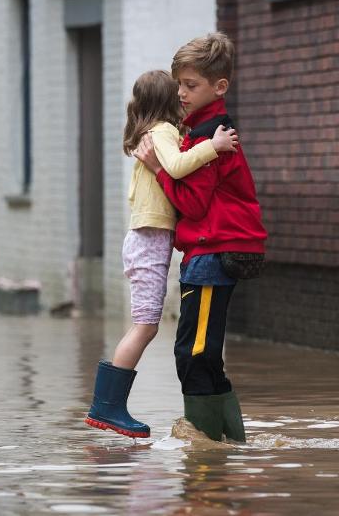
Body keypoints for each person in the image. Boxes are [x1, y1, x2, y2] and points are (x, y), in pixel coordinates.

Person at [85, 69, 240, 439]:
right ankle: (106, 408)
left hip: (144, 240)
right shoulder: (163, 133)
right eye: (180, 92)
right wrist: (212, 147)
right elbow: (176, 166)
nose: (185, 97)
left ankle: (107, 407)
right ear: (170, 100)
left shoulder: (151, 132)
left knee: (145, 324)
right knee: (146, 325)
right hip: (149, 242)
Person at [134, 33, 268, 442]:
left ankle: (203, 441)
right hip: (208, 250)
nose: (181, 93)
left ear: (219, 87)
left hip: (214, 250)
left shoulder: (212, 136)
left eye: (191, 85)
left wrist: (158, 170)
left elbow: (192, 206)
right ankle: (229, 443)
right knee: (203, 353)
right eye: (179, 85)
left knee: (193, 353)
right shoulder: (201, 133)